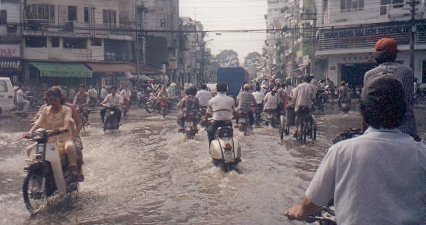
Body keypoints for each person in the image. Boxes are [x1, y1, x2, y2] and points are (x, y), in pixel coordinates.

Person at [285, 74, 426, 225]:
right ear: (404, 111)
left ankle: (297, 130)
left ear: (363, 112)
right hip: (309, 105)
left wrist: (298, 211)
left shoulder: (340, 151)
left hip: (299, 106)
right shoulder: (421, 153)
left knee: (299, 119)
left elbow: (310, 205)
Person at [364, 38, 418, 139]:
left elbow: (368, 105)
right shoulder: (407, 72)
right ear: (394, 55)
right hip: (406, 129)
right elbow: (408, 101)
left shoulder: (369, 74)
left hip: (377, 131)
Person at [27, 86, 83, 181]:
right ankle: (37, 174)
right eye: (48, 98)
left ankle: (76, 171)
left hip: (68, 135)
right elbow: (38, 121)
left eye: (53, 98)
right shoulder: (45, 109)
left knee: (74, 148)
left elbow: (78, 123)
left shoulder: (69, 108)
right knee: (31, 150)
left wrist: (74, 135)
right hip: (50, 137)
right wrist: (29, 132)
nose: (50, 100)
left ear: (60, 97)